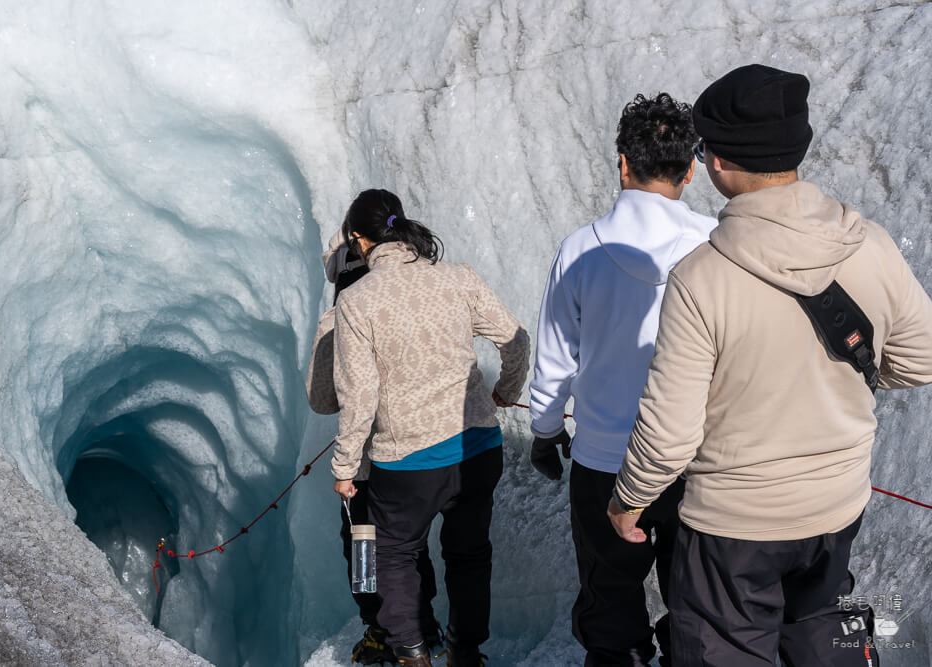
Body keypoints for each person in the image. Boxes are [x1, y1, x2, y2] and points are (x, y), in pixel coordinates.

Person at [608, 64, 932, 667]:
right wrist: (846, 370)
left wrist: (628, 499)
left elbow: (671, 431)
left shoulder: (701, 279)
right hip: (838, 507)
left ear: (720, 162)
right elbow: (919, 358)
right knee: (821, 639)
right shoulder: (873, 245)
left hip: (735, 530)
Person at [528, 93, 716, 666]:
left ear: (621, 161)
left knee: (609, 598)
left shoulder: (580, 250)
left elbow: (556, 357)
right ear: (690, 169)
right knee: (698, 602)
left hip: (604, 459)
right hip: (696, 458)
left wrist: (543, 427)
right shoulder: (718, 245)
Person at [329, 189, 531, 667]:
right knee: (468, 555)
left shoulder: (357, 302)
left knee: (393, 553)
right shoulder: (457, 278)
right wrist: (504, 390)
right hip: (479, 446)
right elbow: (516, 338)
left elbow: (359, 396)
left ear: (359, 241)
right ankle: (467, 654)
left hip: (409, 460)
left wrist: (344, 467)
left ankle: (414, 655)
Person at [306, 232, 442, 664]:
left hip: (364, 466)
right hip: (414, 454)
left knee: (362, 542)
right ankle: (424, 624)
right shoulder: (406, 301)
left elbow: (322, 398)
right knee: (407, 546)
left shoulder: (340, 316)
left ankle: (382, 630)